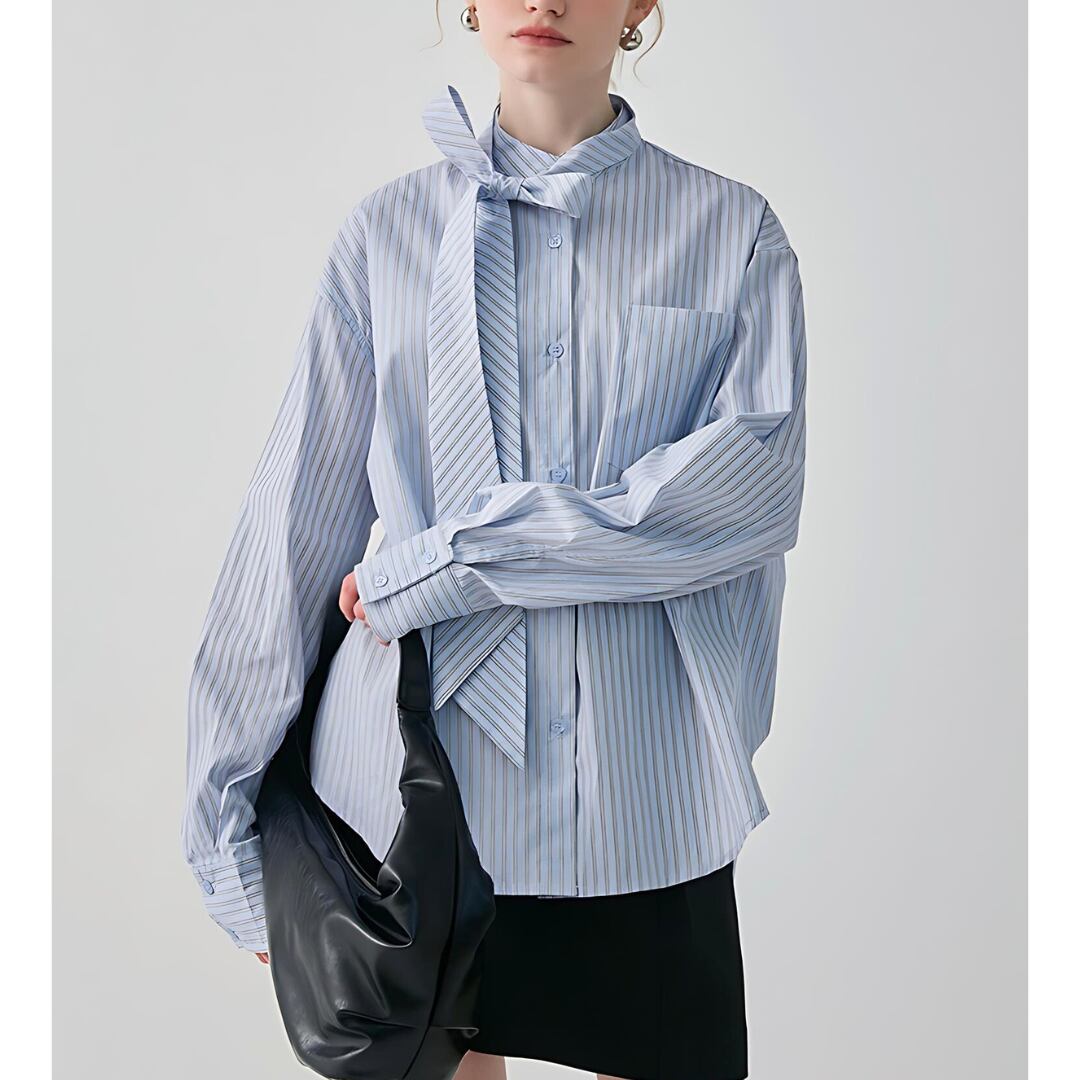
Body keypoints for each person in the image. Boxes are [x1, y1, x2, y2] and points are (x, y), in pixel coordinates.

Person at [181, 3, 808, 1079]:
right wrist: (223, 836)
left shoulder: (731, 232)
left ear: (640, 4)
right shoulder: (386, 236)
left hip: (645, 803)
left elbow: (744, 501)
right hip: (407, 808)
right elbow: (289, 535)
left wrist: (452, 562)